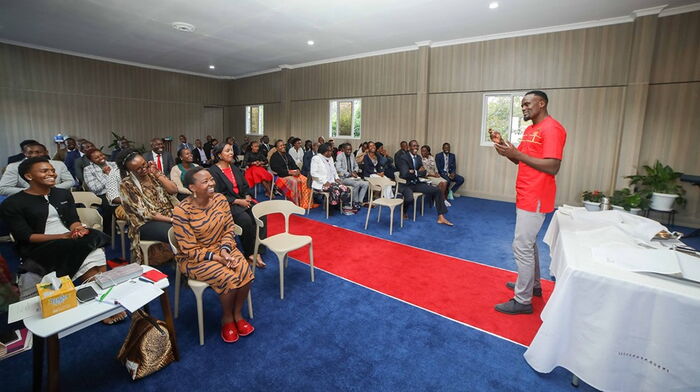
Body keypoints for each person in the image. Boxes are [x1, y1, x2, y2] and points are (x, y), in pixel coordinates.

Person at [0, 157, 125, 324]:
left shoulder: (63, 193)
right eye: (44, 171)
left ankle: (99, 300)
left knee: (94, 238)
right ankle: (103, 303)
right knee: (85, 250)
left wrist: (77, 228)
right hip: (39, 244)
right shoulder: (13, 203)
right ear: (29, 176)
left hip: (69, 237)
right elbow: (26, 236)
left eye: (52, 170)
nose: (52, 173)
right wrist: (62, 236)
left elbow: (72, 219)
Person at [494, 90, 567, 315]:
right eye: (522, 105)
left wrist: (519, 154)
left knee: (521, 245)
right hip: (525, 192)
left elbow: (553, 166)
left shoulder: (552, 128)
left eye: (528, 104)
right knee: (529, 243)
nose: (524, 108)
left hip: (536, 195)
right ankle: (533, 286)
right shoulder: (530, 129)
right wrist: (506, 150)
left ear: (541, 103)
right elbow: (521, 160)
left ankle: (523, 299)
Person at [172, 167, 255, 342]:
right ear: (192, 187)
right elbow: (188, 248)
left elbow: (228, 228)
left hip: (223, 248)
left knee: (245, 271)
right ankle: (227, 318)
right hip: (195, 258)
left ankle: (238, 314)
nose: (212, 183)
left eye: (211, 179)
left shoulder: (220, 199)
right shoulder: (182, 211)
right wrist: (217, 258)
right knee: (228, 278)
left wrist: (225, 250)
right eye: (205, 181)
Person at [208, 143, 266, 268]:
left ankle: (259, 250)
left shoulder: (234, 167)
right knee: (245, 220)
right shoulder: (213, 171)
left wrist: (247, 196)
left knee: (261, 214)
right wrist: (237, 201)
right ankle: (250, 253)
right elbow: (216, 194)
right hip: (227, 204)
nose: (231, 153)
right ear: (219, 155)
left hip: (242, 200)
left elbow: (244, 186)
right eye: (228, 151)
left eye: (232, 150)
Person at [117, 149, 179, 264]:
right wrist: (172, 220)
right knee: (180, 231)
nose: (144, 169)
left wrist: (157, 174)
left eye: (144, 164)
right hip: (146, 223)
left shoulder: (153, 174)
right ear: (130, 171)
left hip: (168, 215)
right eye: (138, 169)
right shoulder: (126, 185)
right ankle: (188, 266)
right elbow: (146, 213)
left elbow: (173, 190)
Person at [397, 140, 453, 226]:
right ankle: (404, 211)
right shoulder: (404, 157)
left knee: (437, 190)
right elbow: (404, 174)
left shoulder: (418, 158)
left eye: (417, 146)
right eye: (414, 146)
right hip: (405, 184)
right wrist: (417, 172)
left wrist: (413, 172)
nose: (416, 148)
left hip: (416, 183)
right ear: (409, 147)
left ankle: (441, 217)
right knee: (409, 199)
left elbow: (424, 172)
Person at [0, 142, 74, 196]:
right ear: (24, 153)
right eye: (30, 152)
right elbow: (3, 189)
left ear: (46, 152)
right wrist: (32, 191)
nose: (34, 155)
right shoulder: (13, 167)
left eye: (38, 152)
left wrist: (52, 189)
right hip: (26, 200)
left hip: (55, 196)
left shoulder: (59, 164)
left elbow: (70, 181)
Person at [83, 148, 120, 235]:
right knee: (108, 207)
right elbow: (94, 188)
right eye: (96, 158)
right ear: (91, 160)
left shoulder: (114, 165)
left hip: (119, 191)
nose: (101, 158)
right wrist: (108, 175)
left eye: (101, 155)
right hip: (103, 194)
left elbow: (122, 180)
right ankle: (109, 233)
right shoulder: (88, 169)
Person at [269, 140, 312, 209]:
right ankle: (294, 203)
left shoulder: (287, 155)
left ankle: (304, 202)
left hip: (292, 174)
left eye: (283, 145)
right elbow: (276, 169)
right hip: (281, 176)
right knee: (295, 182)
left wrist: (297, 170)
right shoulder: (274, 157)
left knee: (305, 180)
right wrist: (288, 172)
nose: (283, 146)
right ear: (277, 148)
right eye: (280, 145)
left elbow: (293, 164)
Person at [311, 143, 352, 211]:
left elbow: (333, 170)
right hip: (320, 183)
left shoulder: (330, 158)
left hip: (331, 182)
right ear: (324, 151)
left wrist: (337, 178)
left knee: (345, 189)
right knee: (335, 190)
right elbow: (313, 173)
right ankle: (330, 208)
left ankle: (338, 205)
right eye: (329, 151)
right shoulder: (316, 158)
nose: (331, 152)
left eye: (331, 151)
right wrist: (324, 182)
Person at [336, 143, 368, 209]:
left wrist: (355, 171)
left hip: (352, 177)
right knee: (356, 184)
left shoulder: (352, 155)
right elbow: (338, 168)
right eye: (347, 149)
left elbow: (356, 165)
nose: (349, 151)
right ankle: (354, 202)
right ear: (343, 149)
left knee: (366, 183)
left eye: (350, 149)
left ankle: (360, 201)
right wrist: (349, 173)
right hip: (343, 178)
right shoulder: (340, 156)